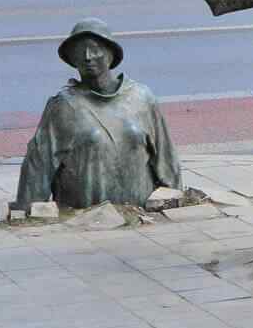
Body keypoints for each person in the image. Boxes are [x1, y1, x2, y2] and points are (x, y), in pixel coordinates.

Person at [16, 19, 181, 210]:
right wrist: (28, 210)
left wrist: (174, 199)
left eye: (95, 48)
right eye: (79, 50)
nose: (87, 56)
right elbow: (39, 164)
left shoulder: (141, 98)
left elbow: (165, 157)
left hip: (139, 214)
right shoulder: (63, 105)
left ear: (111, 53)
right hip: (84, 220)